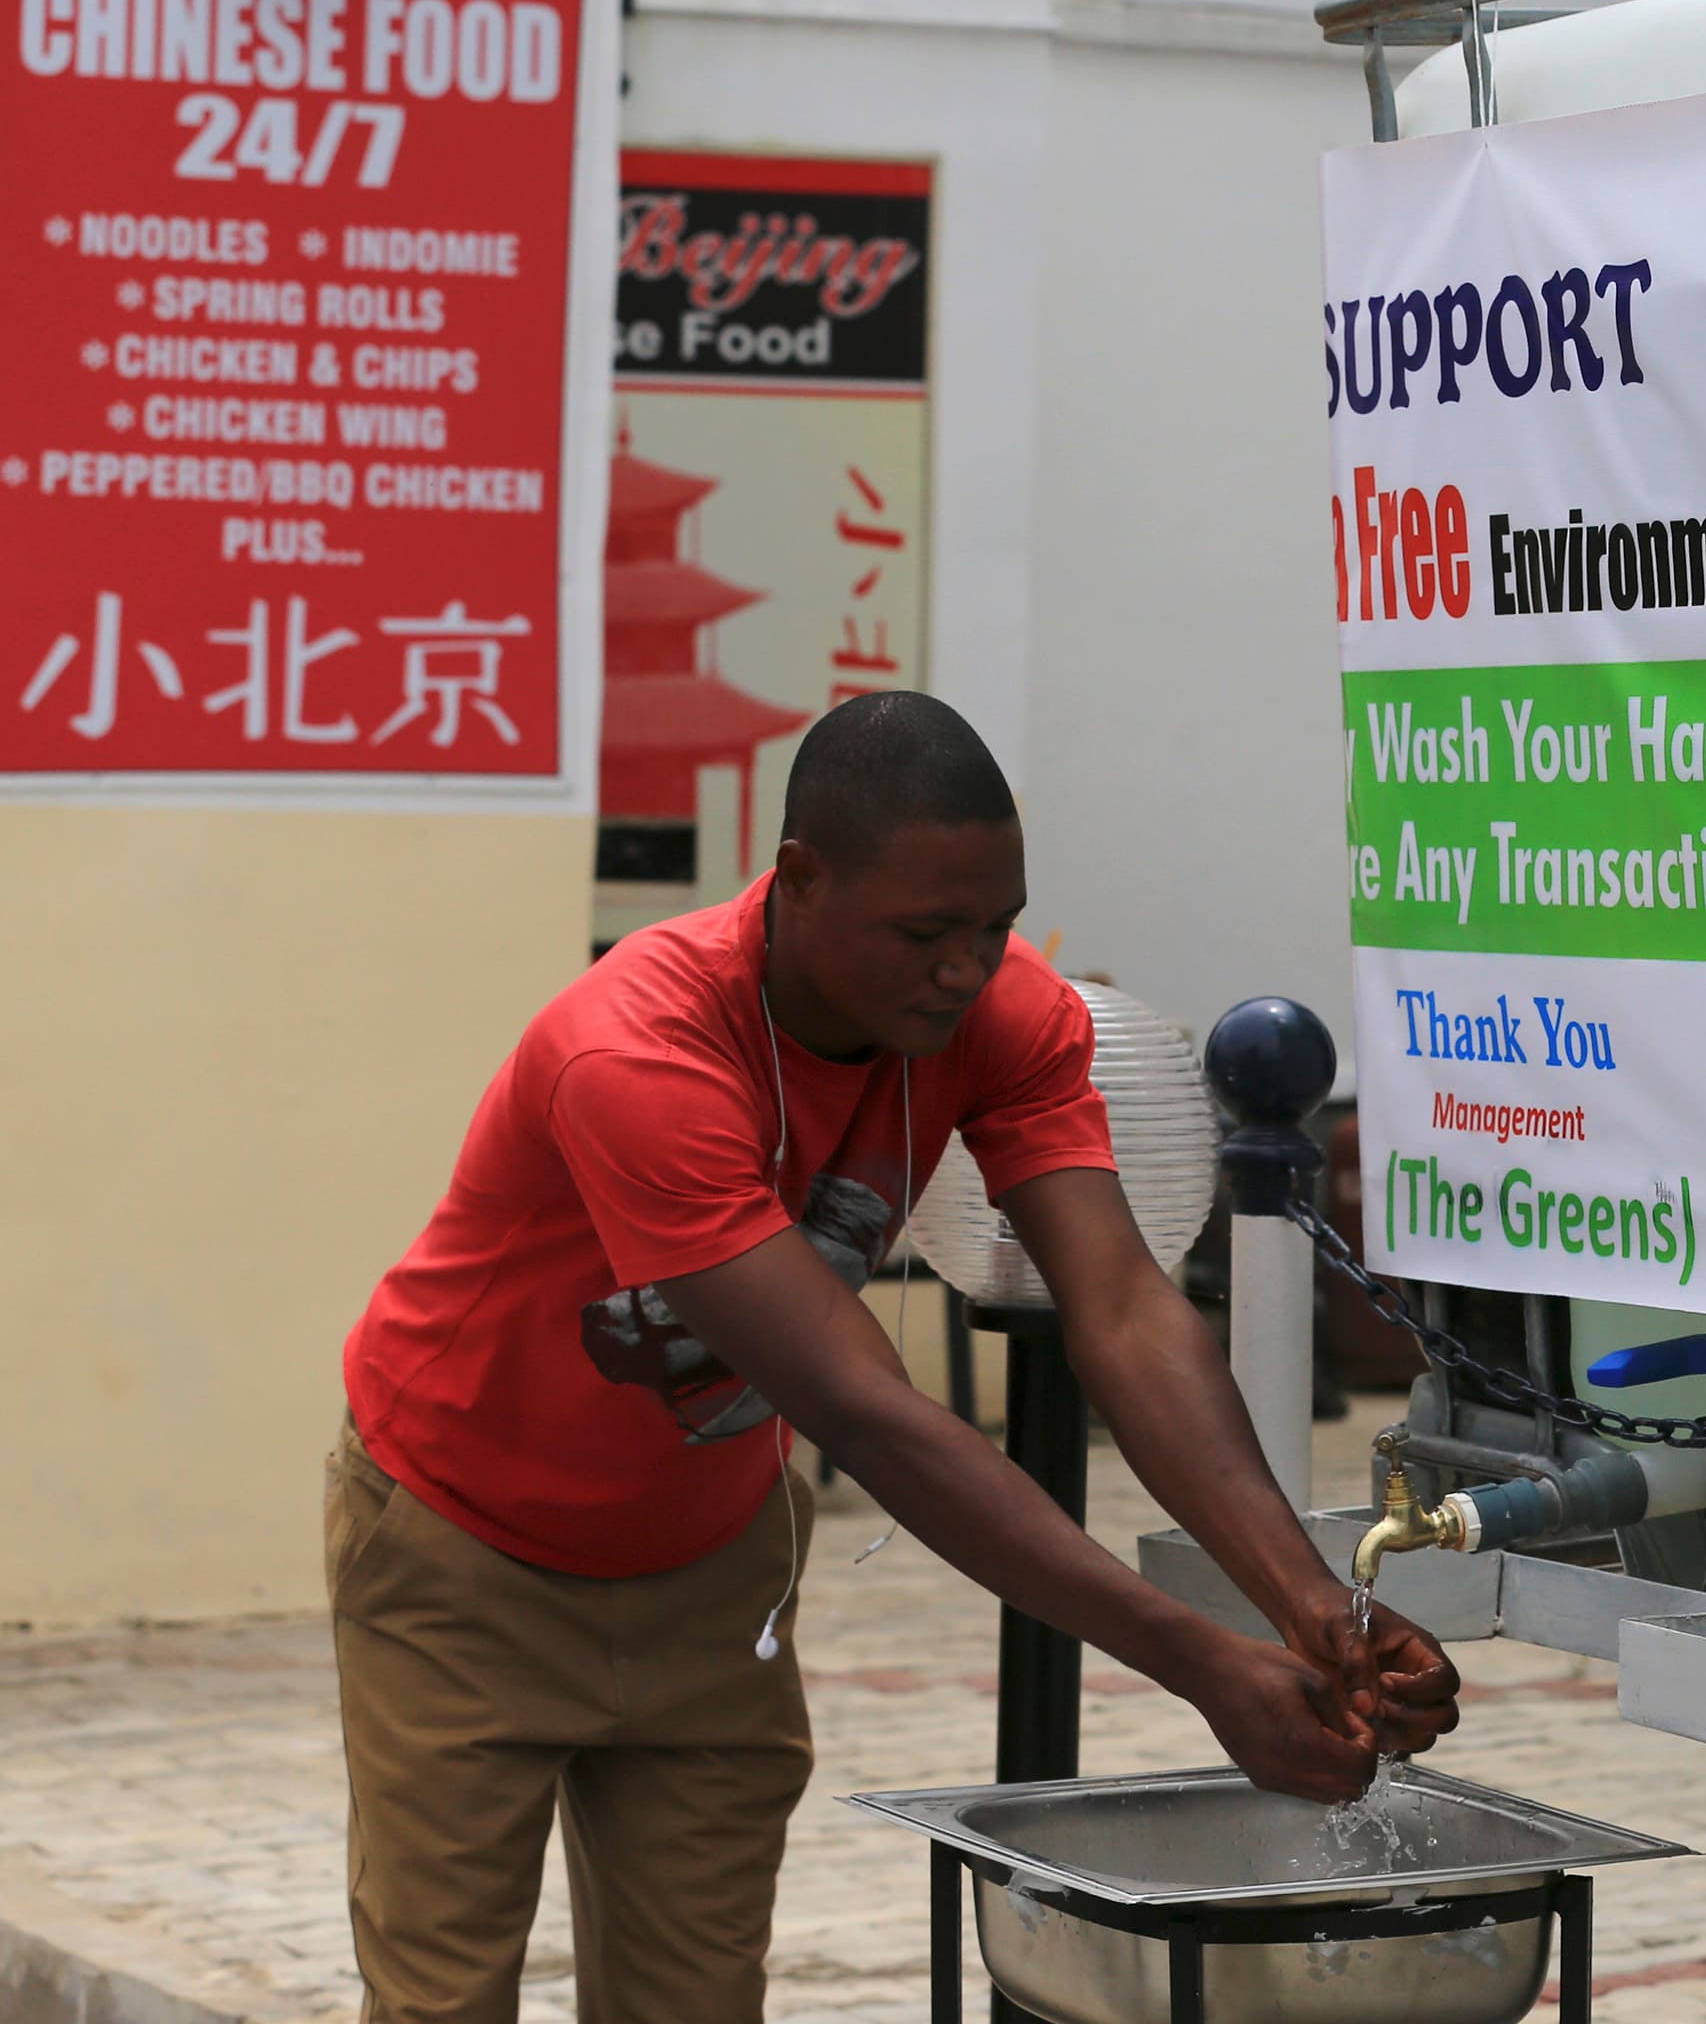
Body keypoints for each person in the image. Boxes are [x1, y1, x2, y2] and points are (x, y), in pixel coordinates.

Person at [327, 690, 1456, 2024]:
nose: (966, 969)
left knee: (693, 2003)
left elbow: (1126, 1310)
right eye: (925, 932)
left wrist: (1307, 1601)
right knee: (441, 2001)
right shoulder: (636, 1050)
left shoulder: (1005, 1013)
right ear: (795, 879)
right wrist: (1205, 1662)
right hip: (465, 1549)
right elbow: (867, 1410)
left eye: (994, 924)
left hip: (710, 1559)